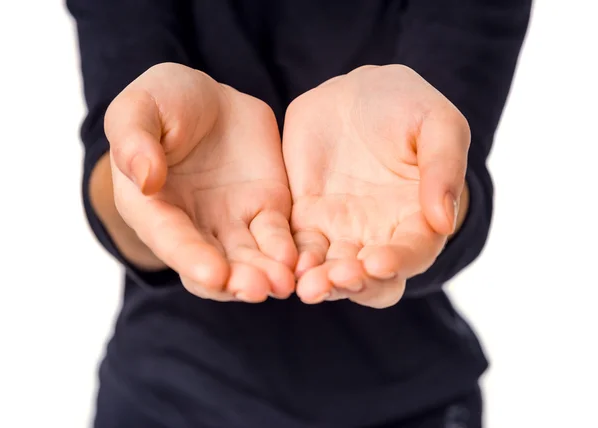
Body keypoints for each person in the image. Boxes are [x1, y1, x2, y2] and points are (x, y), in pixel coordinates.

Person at [66, 1, 531, 427]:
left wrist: (432, 194)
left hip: (408, 404)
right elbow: (113, 164)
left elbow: (456, 174)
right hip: (167, 398)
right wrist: (148, 180)